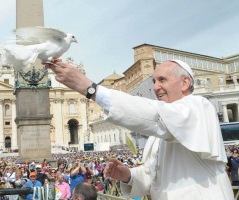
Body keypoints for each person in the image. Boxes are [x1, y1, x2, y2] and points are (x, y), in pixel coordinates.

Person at [45, 59, 233, 199]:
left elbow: (155, 115)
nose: (156, 87)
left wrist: (90, 88)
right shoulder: (159, 135)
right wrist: (127, 175)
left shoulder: (199, 107)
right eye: (154, 81)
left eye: (162, 80)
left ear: (184, 83)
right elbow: (152, 177)